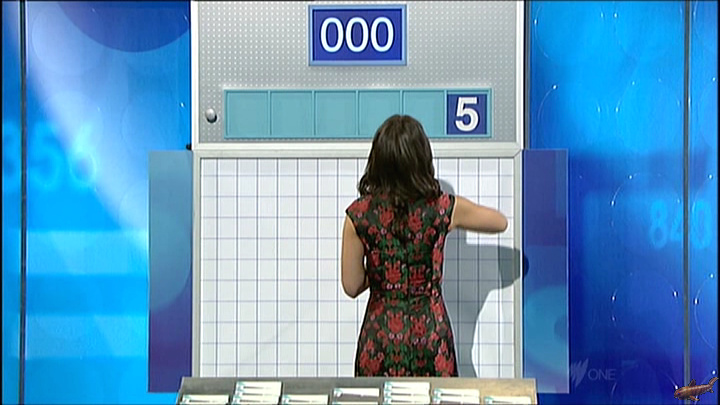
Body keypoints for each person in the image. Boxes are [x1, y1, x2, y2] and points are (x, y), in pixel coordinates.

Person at [341, 114, 508, 377]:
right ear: (422, 159)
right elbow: (500, 222)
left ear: (378, 161)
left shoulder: (358, 215)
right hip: (431, 337)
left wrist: (383, 272)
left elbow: (351, 286)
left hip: (379, 341)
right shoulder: (443, 208)